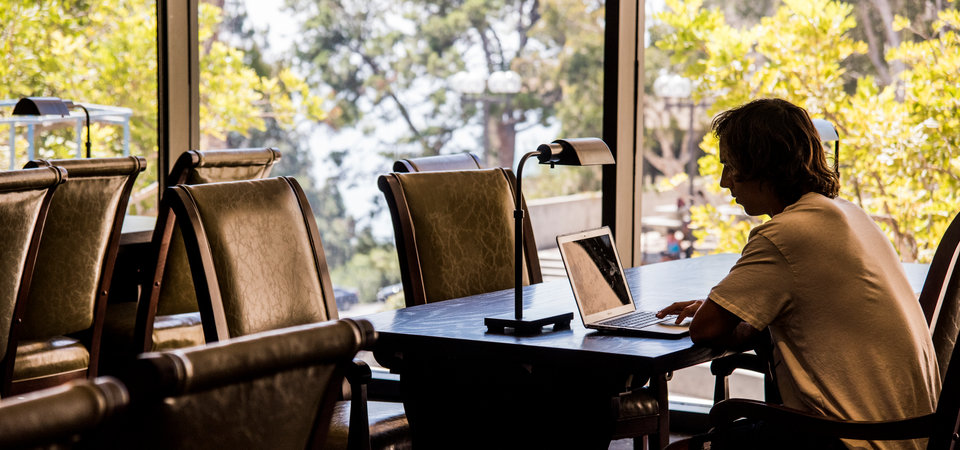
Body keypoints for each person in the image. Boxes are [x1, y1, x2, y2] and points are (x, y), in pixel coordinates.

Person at [656, 98, 940, 450]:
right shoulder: (849, 214)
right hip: (909, 436)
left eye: (730, 166)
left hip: (849, 441)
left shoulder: (786, 233)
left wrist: (718, 312)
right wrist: (738, 310)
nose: (724, 181)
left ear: (762, 165)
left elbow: (704, 329)